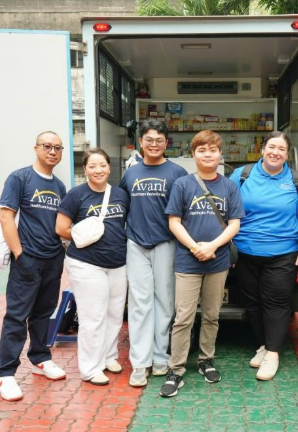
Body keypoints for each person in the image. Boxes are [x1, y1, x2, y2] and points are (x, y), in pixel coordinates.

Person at [160, 130, 244, 397]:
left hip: (217, 261)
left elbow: (235, 224)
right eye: (201, 150)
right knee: (183, 317)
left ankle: (206, 360)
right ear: (193, 154)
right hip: (188, 261)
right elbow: (174, 221)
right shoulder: (183, 185)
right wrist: (195, 247)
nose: (208, 154)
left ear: (220, 154)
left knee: (211, 315)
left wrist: (213, 246)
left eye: (212, 150)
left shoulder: (229, 186)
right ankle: (176, 369)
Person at [230, 131, 298, 381]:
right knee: (252, 302)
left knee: (276, 303)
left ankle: (273, 354)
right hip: (245, 251)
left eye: (281, 149)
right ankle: (264, 345)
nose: (275, 152)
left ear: (287, 154)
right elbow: (228, 210)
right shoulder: (241, 175)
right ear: (262, 149)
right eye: (271, 147)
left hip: (283, 252)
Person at [120, 119, 187, 387]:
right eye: (149, 140)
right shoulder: (131, 174)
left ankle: (160, 358)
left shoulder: (177, 173)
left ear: (166, 143)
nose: (154, 144)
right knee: (139, 304)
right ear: (141, 143)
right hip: (135, 243)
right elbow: (122, 208)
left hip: (166, 243)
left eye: (159, 140)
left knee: (164, 303)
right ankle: (140, 363)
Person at [0, 131, 67, 402]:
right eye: (47, 146)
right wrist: (19, 254)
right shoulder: (20, 178)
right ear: (36, 148)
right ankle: (5, 372)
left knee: (43, 313)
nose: (52, 151)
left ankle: (40, 358)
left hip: (53, 259)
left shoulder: (61, 186)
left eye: (57, 148)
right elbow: (6, 216)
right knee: (17, 315)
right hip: (27, 258)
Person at [56, 149, 129, 386]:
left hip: (118, 263)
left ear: (109, 167)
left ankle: (108, 357)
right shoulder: (76, 195)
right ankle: (90, 368)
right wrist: (85, 237)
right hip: (86, 264)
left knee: (114, 315)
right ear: (85, 169)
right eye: (92, 166)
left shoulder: (119, 194)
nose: (98, 170)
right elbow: (61, 227)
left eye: (102, 165)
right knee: (93, 317)